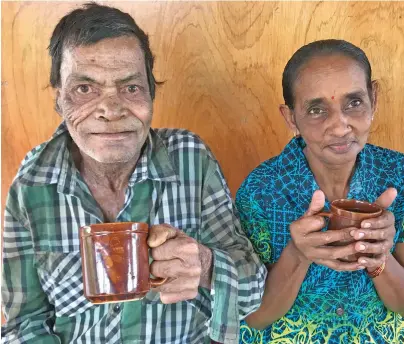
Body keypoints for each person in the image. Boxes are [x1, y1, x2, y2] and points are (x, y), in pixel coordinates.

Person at [1, 3, 266, 344]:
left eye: (130, 88)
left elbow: (253, 291)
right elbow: (24, 324)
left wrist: (208, 267)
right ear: (59, 99)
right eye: (85, 89)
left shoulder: (190, 159)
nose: (111, 110)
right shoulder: (33, 183)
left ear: (150, 95)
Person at [237, 39, 404, 343]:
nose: (340, 125)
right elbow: (255, 317)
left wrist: (380, 257)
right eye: (317, 109)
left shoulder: (401, 176)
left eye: (354, 103)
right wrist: (298, 253)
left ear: (374, 98)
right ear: (291, 118)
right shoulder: (261, 190)